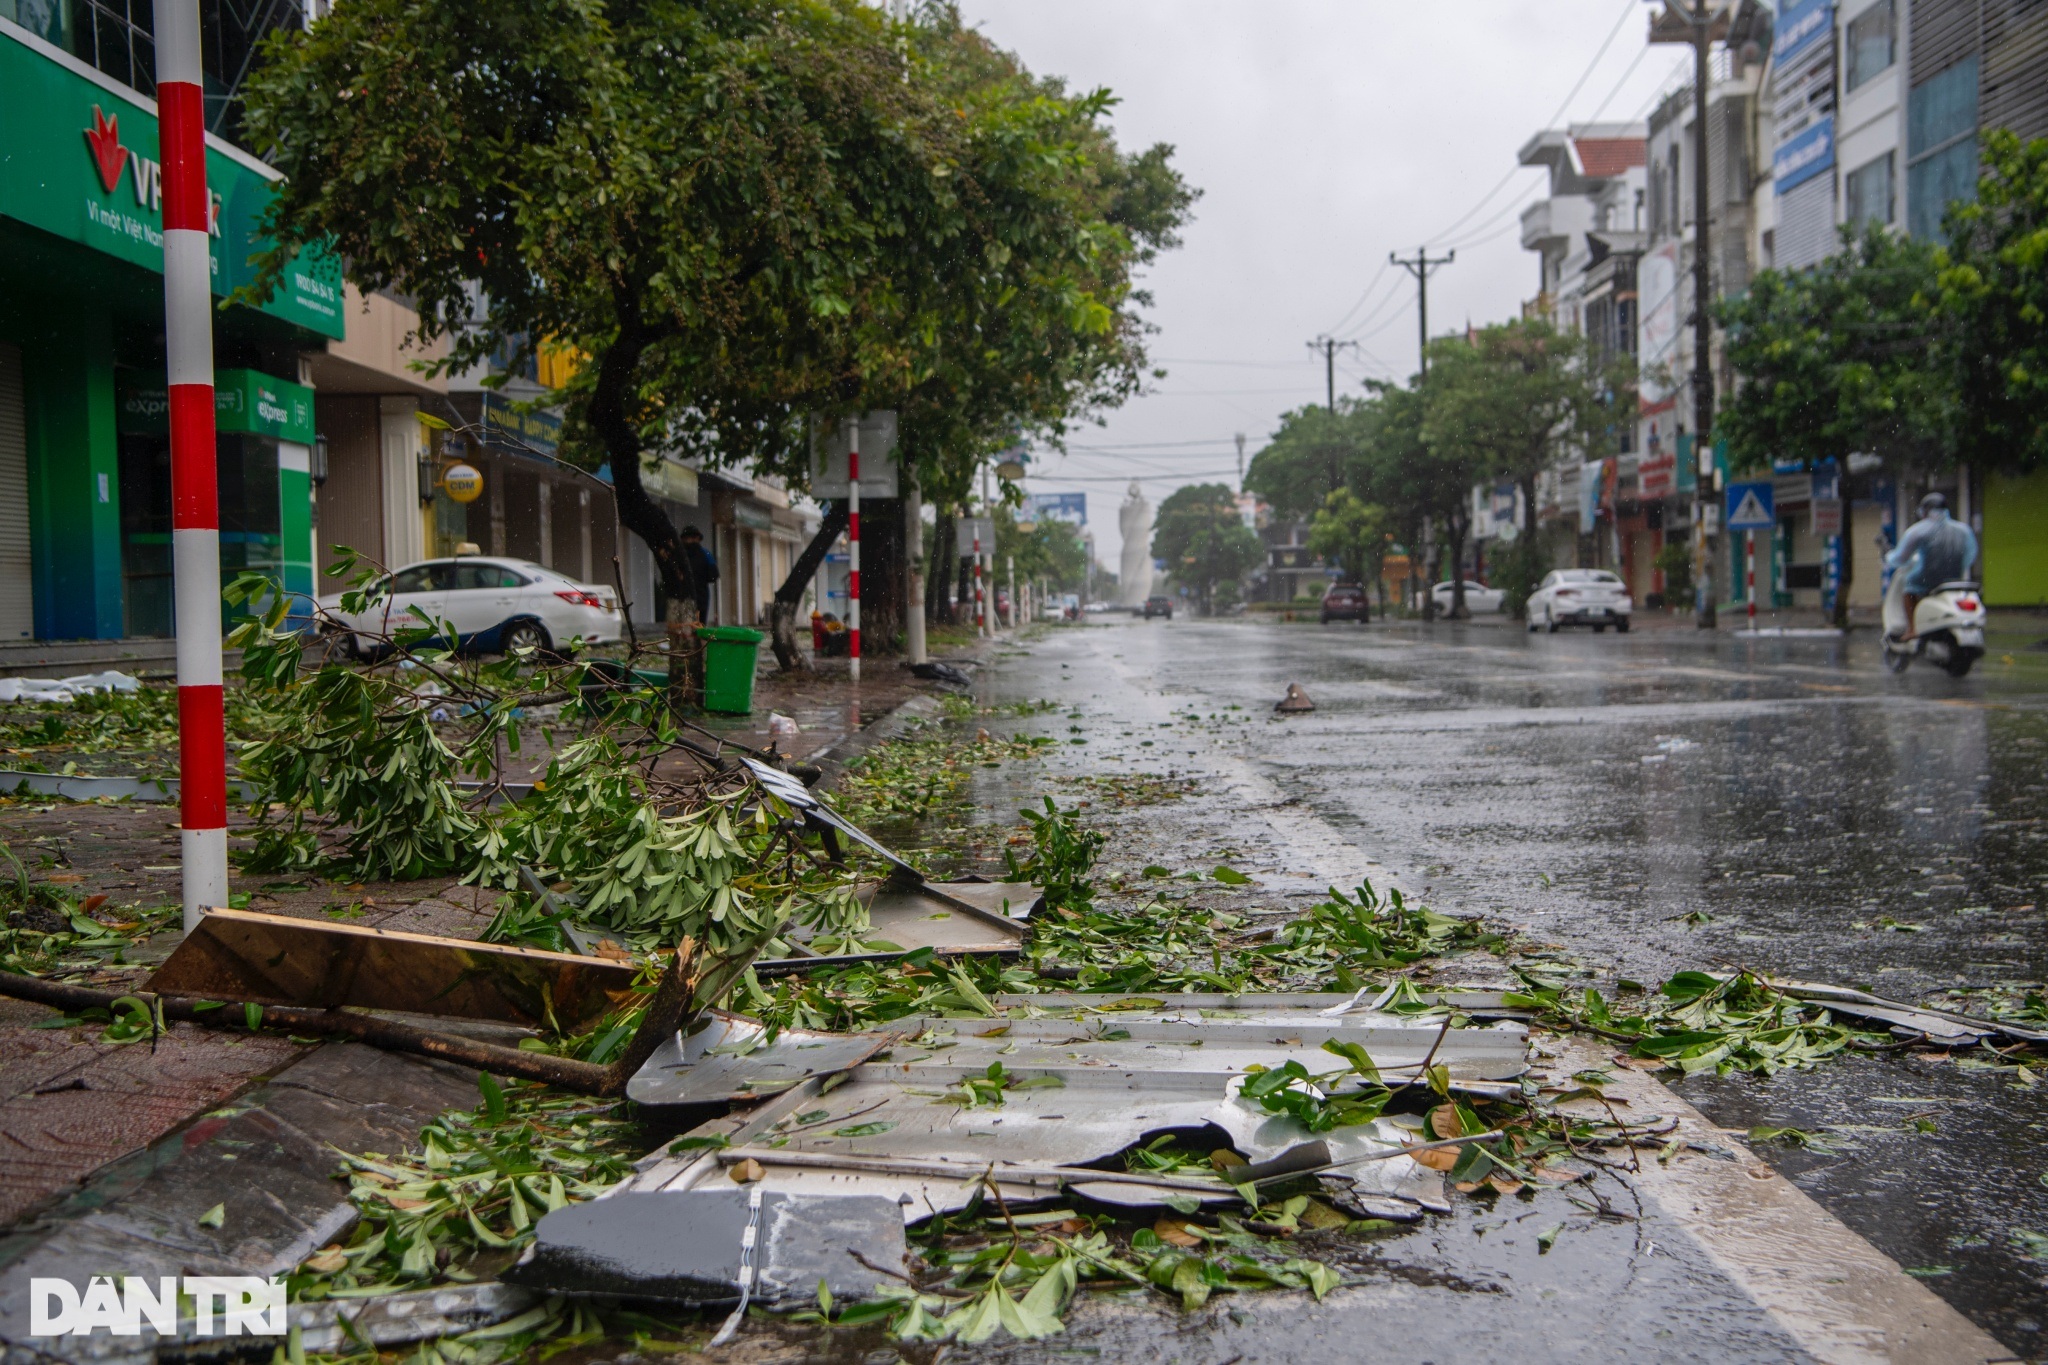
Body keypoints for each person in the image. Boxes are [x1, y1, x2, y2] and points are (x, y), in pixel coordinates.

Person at [1884, 492, 1978, 639]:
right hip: (1954, 579)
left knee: (1909, 586)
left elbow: (1901, 558)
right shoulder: (1963, 530)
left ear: (1925, 511)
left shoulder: (1919, 530)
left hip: (1927, 579)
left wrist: (1888, 557)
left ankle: (1912, 629)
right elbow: (1970, 556)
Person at [680, 525, 719, 625]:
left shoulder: (680, 554)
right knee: (699, 625)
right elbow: (713, 576)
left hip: (684, 595)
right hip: (700, 595)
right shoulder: (705, 554)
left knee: (686, 625)